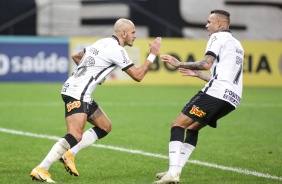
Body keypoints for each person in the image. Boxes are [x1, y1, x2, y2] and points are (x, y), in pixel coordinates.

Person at [30, 18, 162, 183]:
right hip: (77, 93)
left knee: (104, 126)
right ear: (124, 33)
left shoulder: (102, 42)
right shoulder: (117, 50)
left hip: (77, 90)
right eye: (133, 32)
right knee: (75, 135)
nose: (135, 36)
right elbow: (138, 75)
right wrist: (152, 55)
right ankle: (42, 168)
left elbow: (76, 56)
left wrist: (92, 76)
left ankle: (69, 154)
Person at [154, 9, 244, 183]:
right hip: (232, 99)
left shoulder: (217, 37)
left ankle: (173, 173)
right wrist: (199, 76)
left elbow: (206, 64)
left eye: (209, 22)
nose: (206, 25)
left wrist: (179, 63)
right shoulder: (237, 44)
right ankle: (175, 170)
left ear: (219, 24)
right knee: (193, 128)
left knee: (177, 124)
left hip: (216, 92)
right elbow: (222, 75)